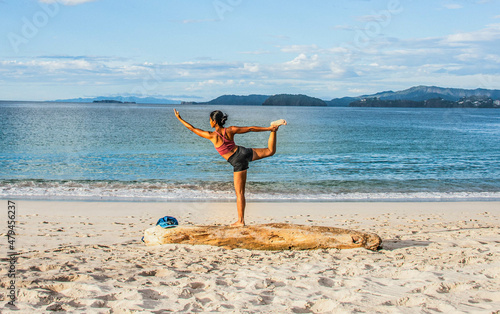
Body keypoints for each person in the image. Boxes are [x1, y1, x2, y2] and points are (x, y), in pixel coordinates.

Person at [174, 109, 286, 227]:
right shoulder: (230, 130)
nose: (210, 122)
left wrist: (179, 118)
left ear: (214, 121)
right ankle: (274, 128)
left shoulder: (212, 136)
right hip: (243, 152)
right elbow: (250, 128)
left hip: (237, 161)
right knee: (270, 151)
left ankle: (240, 221)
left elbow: (192, 128)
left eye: (210, 120)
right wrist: (268, 129)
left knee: (240, 193)